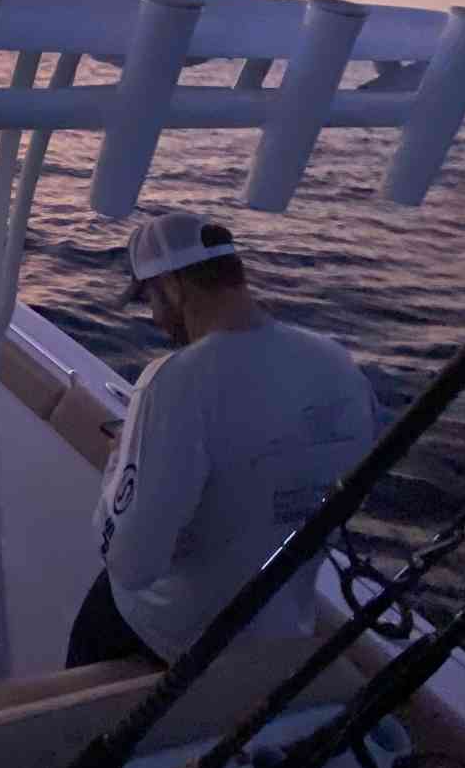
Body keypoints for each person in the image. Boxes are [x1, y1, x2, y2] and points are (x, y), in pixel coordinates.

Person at [66, 211, 377, 669]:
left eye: (151, 297)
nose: (154, 316)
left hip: (171, 635)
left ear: (173, 286)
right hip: (280, 631)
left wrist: (120, 463)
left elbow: (131, 564)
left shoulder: (175, 381)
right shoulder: (337, 363)